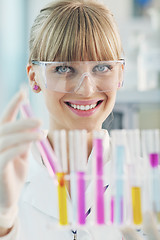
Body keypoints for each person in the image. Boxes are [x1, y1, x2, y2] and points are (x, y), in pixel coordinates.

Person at [0, 0, 159, 239]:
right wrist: (4, 223)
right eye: (64, 69)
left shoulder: (148, 181)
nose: (86, 90)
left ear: (120, 75)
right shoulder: (7, 179)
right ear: (35, 78)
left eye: (102, 67)